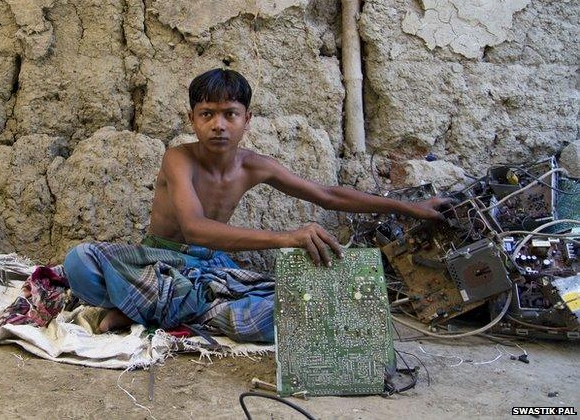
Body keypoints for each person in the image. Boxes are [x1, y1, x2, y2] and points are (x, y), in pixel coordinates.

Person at [63, 68, 450, 343]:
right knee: (79, 262)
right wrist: (287, 237)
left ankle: (144, 311)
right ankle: (177, 311)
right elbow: (195, 228)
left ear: (247, 119)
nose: (219, 125)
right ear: (192, 120)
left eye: (229, 114)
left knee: (299, 305)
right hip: (158, 261)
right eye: (207, 114)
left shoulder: (255, 166)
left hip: (213, 272)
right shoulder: (177, 159)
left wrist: (408, 208)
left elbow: (328, 195)